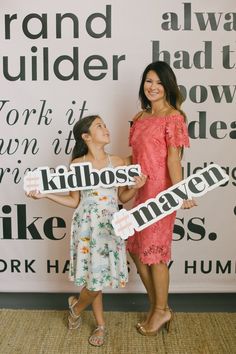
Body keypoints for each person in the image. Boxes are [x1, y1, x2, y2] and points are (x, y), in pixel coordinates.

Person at [27, 115, 146, 346]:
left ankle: (77, 308)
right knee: (94, 279)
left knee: (97, 279)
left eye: (105, 124)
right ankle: (99, 324)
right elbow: (74, 201)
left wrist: (135, 188)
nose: (106, 128)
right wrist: (46, 194)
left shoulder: (119, 162)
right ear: (86, 136)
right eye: (99, 126)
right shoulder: (77, 165)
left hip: (111, 225)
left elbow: (122, 197)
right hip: (86, 226)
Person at [126, 61, 196, 336]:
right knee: (136, 249)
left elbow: (173, 160)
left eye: (158, 82)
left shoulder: (174, 117)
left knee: (155, 256)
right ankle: (160, 307)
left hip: (161, 195)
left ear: (168, 85)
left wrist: (180, 191)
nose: (152, 87)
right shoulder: (139, 117)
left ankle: (159, 311)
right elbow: (135, 158)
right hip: (140, 191)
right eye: (148, 81)